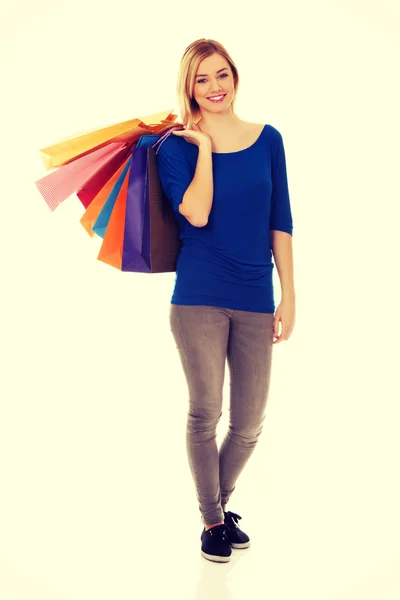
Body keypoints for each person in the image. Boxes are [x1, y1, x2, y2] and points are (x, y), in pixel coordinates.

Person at [156, 38, 296, 563]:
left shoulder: (269, 139)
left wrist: (290, 294)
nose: (214, 87)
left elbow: (280, 219)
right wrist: (206, 150)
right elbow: (195, 212)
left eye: (222, 75)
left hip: (258, 296)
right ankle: (213, 522)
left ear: (235, 76)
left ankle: (218, 505)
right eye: (202, 79)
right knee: (205, 412)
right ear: (189, 87)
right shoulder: (174, 146)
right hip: (198, 297)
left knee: (250, 422)